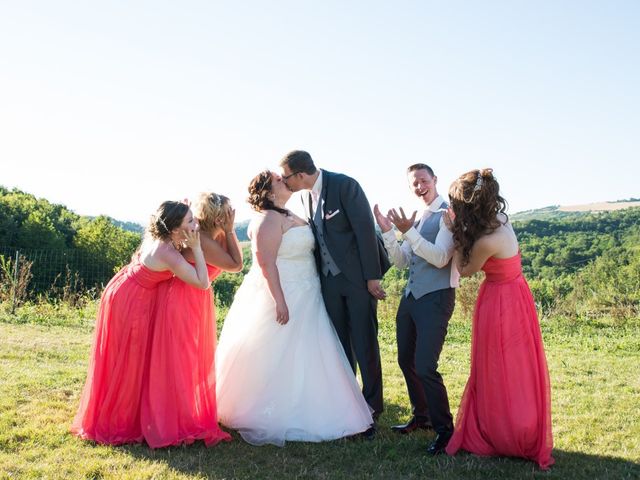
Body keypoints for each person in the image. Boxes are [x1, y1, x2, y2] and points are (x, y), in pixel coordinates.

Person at [215, 170, 373, 446]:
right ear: (267, 192)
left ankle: (317, 401)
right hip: (285, 292)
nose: (285, 181)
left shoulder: (291, 213)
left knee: (314, 350)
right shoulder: (267, 220)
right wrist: (279, 300)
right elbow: (266, 264)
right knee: (278, 351)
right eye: (279, 180)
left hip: (309, 290)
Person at [71, 201, 211, 445]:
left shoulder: (160, 234)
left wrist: (183, 211)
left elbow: (174, 223)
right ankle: (119, 421)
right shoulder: (167, 253)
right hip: (131, 301)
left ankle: (127, 414)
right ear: (175, 229)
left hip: (123, 289)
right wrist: (197, 248)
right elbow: (202, 282)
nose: (195, 224)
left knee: (125, 360)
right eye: (190, 221)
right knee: (129, 362)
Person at [444, 169, 554, 470]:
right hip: (517, 296)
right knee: (517, 363)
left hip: (500, 303)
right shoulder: (501, 222)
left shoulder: (487, 241)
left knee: (497, 364)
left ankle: (503, 429)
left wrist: (455, 233)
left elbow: (464, 270)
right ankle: (515, 422)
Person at [279, 150, 387, 430]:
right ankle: (347, 403)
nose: (284, 181)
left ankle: (372, 406)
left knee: (364, 342)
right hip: (328, 282)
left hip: (358, 280)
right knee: (338, 344)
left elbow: (365, 231)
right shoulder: (303, 197)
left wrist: (372, 277)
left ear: (299, 174)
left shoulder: (345, 185)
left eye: (286, 176)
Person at [141, 193, 243, 448]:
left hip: (194, 299)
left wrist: (227, 231)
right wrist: (230, 232)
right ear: (219, 217)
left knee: (191, 359)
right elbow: (237, 264)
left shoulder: (210, 235)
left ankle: (184, 415)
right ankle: (176, 422)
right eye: (230, 211)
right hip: (184, 301)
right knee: (183, 360)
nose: (233, 214)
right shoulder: (206, 241)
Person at [374, 163, 458, 454]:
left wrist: (408, 232)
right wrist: (388, 233)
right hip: (411, 298)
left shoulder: (448, 214)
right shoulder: (420, 218)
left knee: (425, 365)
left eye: (423, 180)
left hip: (436, 296)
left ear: (435, 180)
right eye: (414, 183)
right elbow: (401, 261)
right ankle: (421, 417)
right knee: (405, 359)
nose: (419, 186)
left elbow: (440, 258)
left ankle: (445, 431)